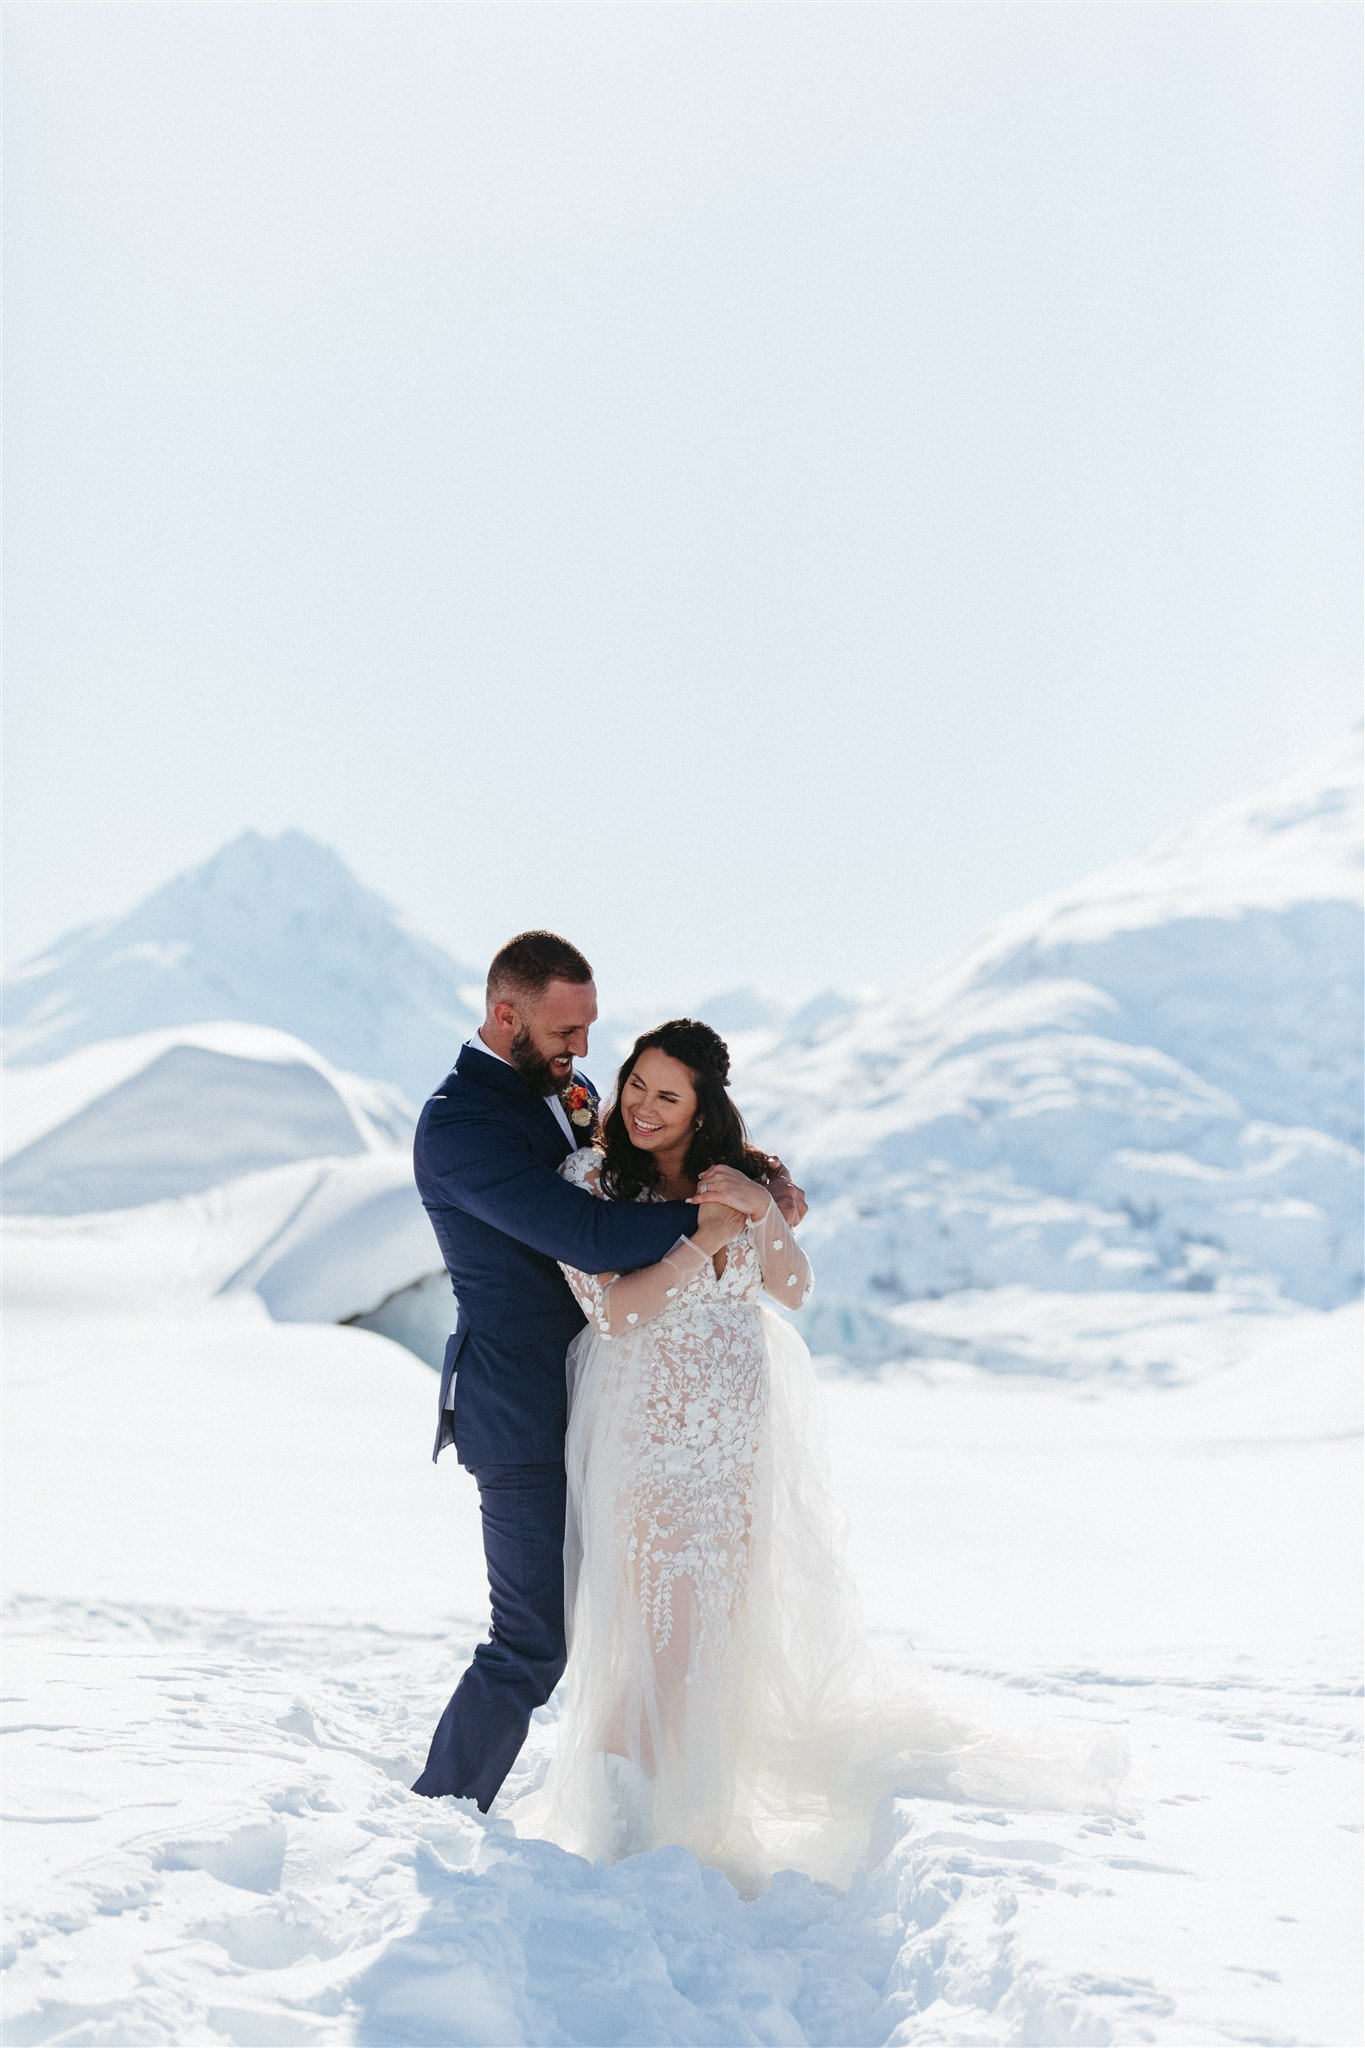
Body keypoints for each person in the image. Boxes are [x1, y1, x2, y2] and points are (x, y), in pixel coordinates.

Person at [502, 1018, 1133, 1896]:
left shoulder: (745, 1181)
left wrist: (757, 1214)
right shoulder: (592, 1178)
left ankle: (676, 1816)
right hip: (646, 1432)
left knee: (713, 1631)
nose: (642, 1107)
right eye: (635, 1084)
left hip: (735, 1431)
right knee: (654, 1631)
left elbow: (791, 1291)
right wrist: (706, 1237)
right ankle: (619, 1832)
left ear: (702, 1109)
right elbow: (614, 1315)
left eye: (667, 1095)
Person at [409, 935, 805, 1809]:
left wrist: (759, 1182)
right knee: (531, 1642)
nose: (583, 1051)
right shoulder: (458, 1124)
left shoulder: (569, 1094)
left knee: (658, 1628)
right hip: (520, 1410)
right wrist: (725, 1213)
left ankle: (647, 1799)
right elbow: (589, 1235)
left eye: (588, 1031)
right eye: (565, 1031)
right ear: (505, 1015)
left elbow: (655, 1150)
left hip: (622, 1408)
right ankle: (436, 1813)